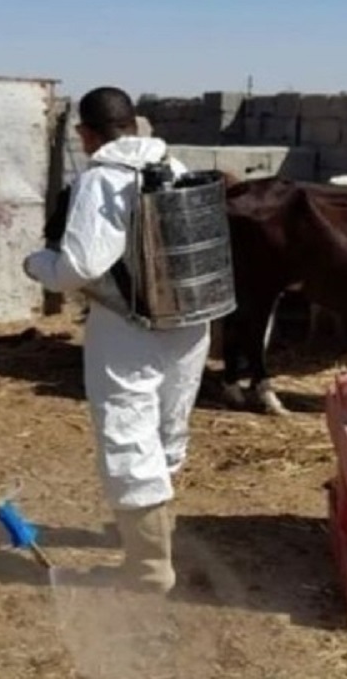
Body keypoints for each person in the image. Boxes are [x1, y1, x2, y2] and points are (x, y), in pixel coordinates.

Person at [22, 87, 211, 595]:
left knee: (127, 432)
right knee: (169, 428)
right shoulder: (174, 164)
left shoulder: (102, 179)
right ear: (135, 124)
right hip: (191, 320)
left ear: (87, 134)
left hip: (129, 326)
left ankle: (148, 568)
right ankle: (157, 538)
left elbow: (78, 267)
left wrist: (37, 264)